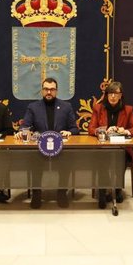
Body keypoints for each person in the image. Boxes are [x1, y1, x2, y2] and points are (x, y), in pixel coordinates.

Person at [21, 77, 80, 208]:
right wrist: (24, 131)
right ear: (42, 91)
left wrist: (70, 132)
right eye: (46, 89)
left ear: (56, 91)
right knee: (34, 161)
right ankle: (36, 194)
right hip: (39, 149)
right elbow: (25, 126)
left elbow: (75, 128)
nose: (49, 92)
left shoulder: (66, 106)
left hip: (61, 149)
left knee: (67, 162)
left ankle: (61, 192)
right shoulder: (33, 107)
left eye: (52, 89)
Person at [87, 81, 133, 209]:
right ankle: (102, 190)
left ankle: (117, 189)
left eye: (116, 94)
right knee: (102, 160)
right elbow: (91, 128)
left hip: (121, 148)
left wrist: (125, 130)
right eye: (110, 93)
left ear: (121, 95)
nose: (112, 96)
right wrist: (103, 130)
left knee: (121, 158)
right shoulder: (98, 108)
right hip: (102, 148)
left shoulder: (128, 110)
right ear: (106, 95)